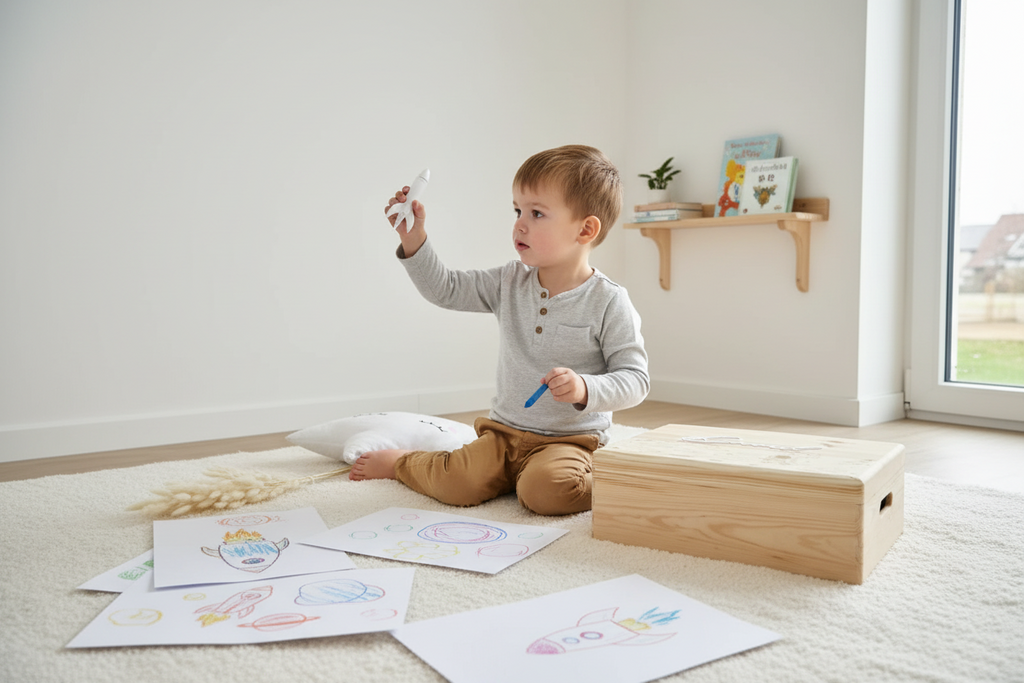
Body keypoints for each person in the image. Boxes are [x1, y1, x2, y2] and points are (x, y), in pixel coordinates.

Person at [349, 145, 649, 515]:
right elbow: (446, 289)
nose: (520, 223)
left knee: (549, 493)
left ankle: (578, 476)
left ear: (585, 229)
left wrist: (586, 388)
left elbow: (635, 379)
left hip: (570, 441)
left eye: (537, 213)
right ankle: (403, 463)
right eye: (518, 210)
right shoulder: (509, 281)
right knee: (457, 483)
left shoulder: (608, 300)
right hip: (503, 434)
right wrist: (413, 238)